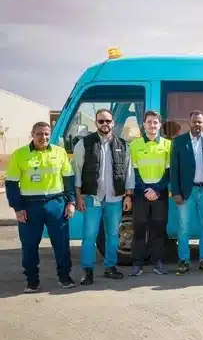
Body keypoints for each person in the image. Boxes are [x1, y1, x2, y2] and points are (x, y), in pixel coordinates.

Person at [4, 122, 77, 292]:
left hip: (56, 204)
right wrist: (18, 208)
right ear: (32, 134)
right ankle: (32, 281)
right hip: (30, 206)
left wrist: (71, 202)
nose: (43, 137)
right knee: (29, 246)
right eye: (39, 134)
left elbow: (68, 178)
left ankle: (64, 277)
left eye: (46, 134)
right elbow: (12, 183)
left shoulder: (59, 152)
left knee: (61, 244)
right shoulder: (20, 154)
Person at [72, 108, 134, 285]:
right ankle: (88, 270)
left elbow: (129, 172)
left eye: (108, 121)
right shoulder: (84, 144)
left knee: (113, 235)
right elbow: (77, 171)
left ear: (113, 123)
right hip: (93, 197)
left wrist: (128, 196)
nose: (105, 124)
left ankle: (110, 267)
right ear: (96, 123)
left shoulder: (123, 144)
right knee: (89, 235)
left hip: (115, 198)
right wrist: (78, 196)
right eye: (101, 121)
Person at [170, 110, 203, 275]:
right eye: (194, 122)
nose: (197, 124)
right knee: (184, 227)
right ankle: (184, 261)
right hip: (186, 191)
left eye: (200, 122)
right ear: (189, 123)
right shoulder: (179, 141)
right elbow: (174, 169)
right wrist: (176, 192)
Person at [129, 111, 172, 276]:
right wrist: (146, 189)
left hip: (160, 194)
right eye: (149, 122)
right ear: (143, 124)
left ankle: (158, 263)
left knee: (159, 230)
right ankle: (137, 264)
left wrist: (157, 189)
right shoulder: (134, 145)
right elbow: (133, 171)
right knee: (139, 229)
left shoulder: (168, 145)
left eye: (155, 122)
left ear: (160, 125)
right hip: (141, 193)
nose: (152, 125)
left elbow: (169, 172)